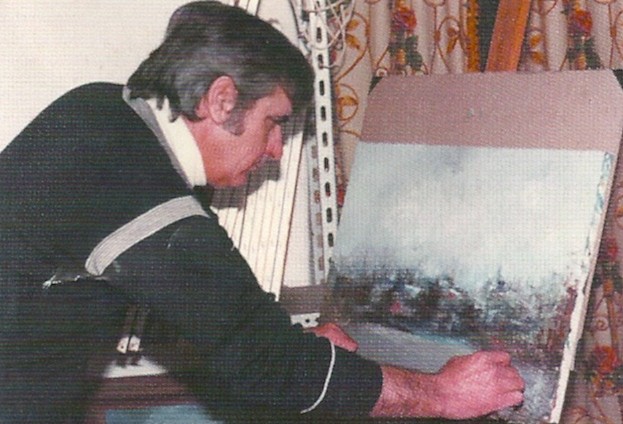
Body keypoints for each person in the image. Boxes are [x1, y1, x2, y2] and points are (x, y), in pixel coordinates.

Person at [0, 1, 524, 423]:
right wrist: (441, 393)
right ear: (221, 100)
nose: (275, 150)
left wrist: (283, 346)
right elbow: (261, 361)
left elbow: (211, 310)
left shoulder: (100, 110)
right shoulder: (136, 184)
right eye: (274, 122)